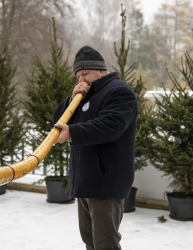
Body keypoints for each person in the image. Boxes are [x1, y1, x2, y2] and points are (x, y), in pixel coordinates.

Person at [53, 45, 138, 250]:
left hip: (105, 183)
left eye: (86, 74)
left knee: (105, 244)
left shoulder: (119, 91)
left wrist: (73, 132)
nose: (81, 80)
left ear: (102, 71)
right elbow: (58, 124)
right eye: (78, 76)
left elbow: (110, 127)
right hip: (85, 182)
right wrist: (71, 101)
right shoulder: (85, 95)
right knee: (90, 242)